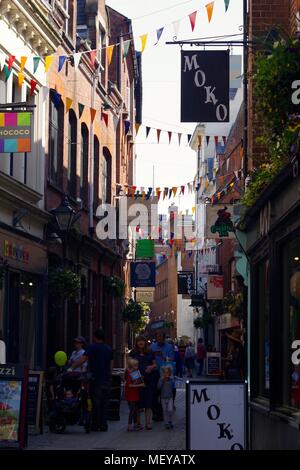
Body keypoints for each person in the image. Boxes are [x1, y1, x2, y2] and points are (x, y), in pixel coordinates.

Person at [70, 329, 113, 432]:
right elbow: (111, 364)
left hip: (96, 378)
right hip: (106, 378)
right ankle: (104, 425)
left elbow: (83, 359)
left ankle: (96, 424)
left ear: (95, 337)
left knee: (96, 402)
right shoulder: (108, 348)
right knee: (104, 402)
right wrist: (109, 375)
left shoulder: (92, 347)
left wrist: (72, 367)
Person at [129, 336, 156, 430]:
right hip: (137, 381)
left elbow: (155, 364)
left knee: (148, 403)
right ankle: (138, 423)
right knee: (137, 404)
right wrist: (137, 378)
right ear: (136, 342)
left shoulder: (150, 352)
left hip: (148, 381)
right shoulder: (133, 353)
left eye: (142, 341)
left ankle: (148, 423)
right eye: (139, 341)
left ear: (145, 342)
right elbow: (129, 366)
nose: (140, 342)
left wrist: (151, 367)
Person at [150, 330, 175, 421]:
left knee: (165, 393)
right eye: (158, 336)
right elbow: (149, 358)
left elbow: (172, 359)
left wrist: (163, 356)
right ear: (156, 337)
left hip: (166, 372)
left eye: (161, 337)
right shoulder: (152, 346)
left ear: (164, 338)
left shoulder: (169, 347)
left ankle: (166, 410)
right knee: (154, 393)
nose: (159, 338)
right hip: (155, 372)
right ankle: (157, 413)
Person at [125, 358, 145, 432]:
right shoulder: (129, 374)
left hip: (135, 394)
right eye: (136, 366)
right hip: (131, 395)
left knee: (136, 410)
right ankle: (130, 425)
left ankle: (136, 424)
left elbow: (136, 381)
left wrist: (140, 379)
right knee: (132, 411)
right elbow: (130, 385)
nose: (137, 367)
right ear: (131, 366)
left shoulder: (135, 373)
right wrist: (140, 385)